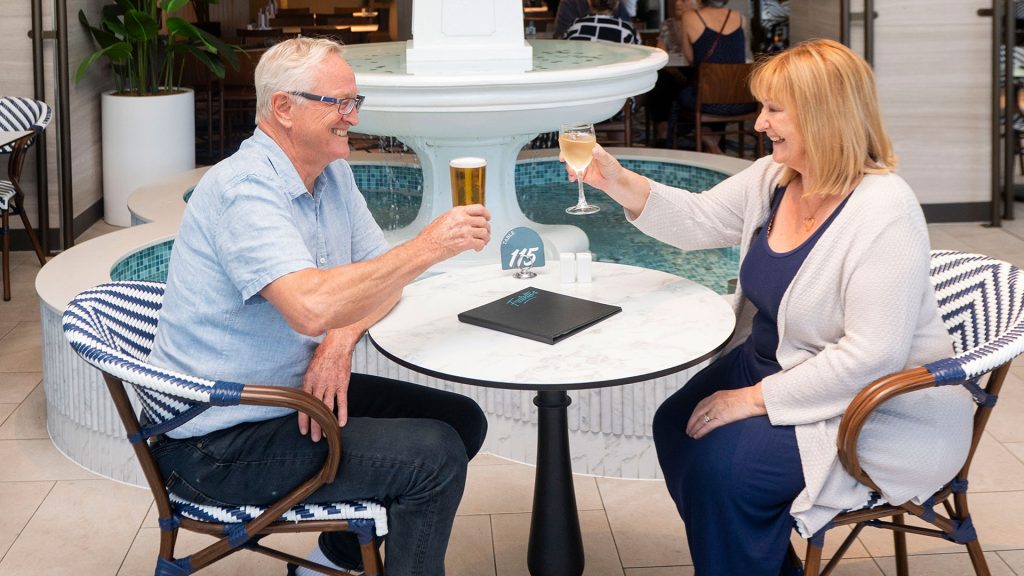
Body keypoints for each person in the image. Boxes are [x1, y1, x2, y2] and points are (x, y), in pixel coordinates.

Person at [566, 39, 974, 575]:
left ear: (825, 116)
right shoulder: (774, 179)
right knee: (673, 422)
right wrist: (615, 180)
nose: (759, 124)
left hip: (869, 406)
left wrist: (754, 399)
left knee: (723, 470)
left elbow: (873, 355)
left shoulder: (884, 210)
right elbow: (696, 221)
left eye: (773, 110)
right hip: (777, 362)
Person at [146, 38, 491, 576]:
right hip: (215, 442)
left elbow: (384, 282)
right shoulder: (245, 190)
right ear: (284, 107)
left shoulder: (331, 174)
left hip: (289, 399)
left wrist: (338, 341)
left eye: (356, 102)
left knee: (460, 419)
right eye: (339, 103)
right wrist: (429, 245)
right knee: (435, 455)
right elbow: (308, 307)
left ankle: (328, 561)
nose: (352, 117)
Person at [675, 0, 754, 153]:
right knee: (714, 91)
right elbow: (743, 56)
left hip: (706, 102)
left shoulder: (690, 17)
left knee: (677, 97)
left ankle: (706, 141)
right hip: (743, 101)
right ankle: (713, 142)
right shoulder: (739, 17)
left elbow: (690, 58)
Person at [563, 0, 640, 44]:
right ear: (617, 4)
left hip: (584, 71)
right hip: (617, 71)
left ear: (589, 3)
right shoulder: (628, 30)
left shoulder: (574, 26)